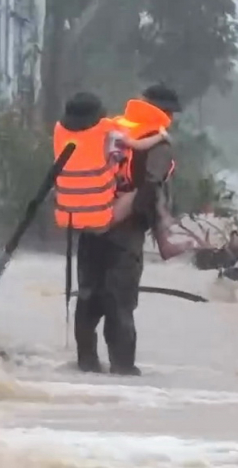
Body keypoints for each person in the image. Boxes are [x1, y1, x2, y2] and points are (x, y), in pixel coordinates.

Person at [73, 84, 184, 375]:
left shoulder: (112, 127)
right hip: (125, 231)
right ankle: (123, 369)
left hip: (90, 220)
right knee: (120, 301)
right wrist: (159, 232)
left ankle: (86, 365)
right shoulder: (158, 142)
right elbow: (150, 188)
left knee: (87, 296)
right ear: (166, 112)